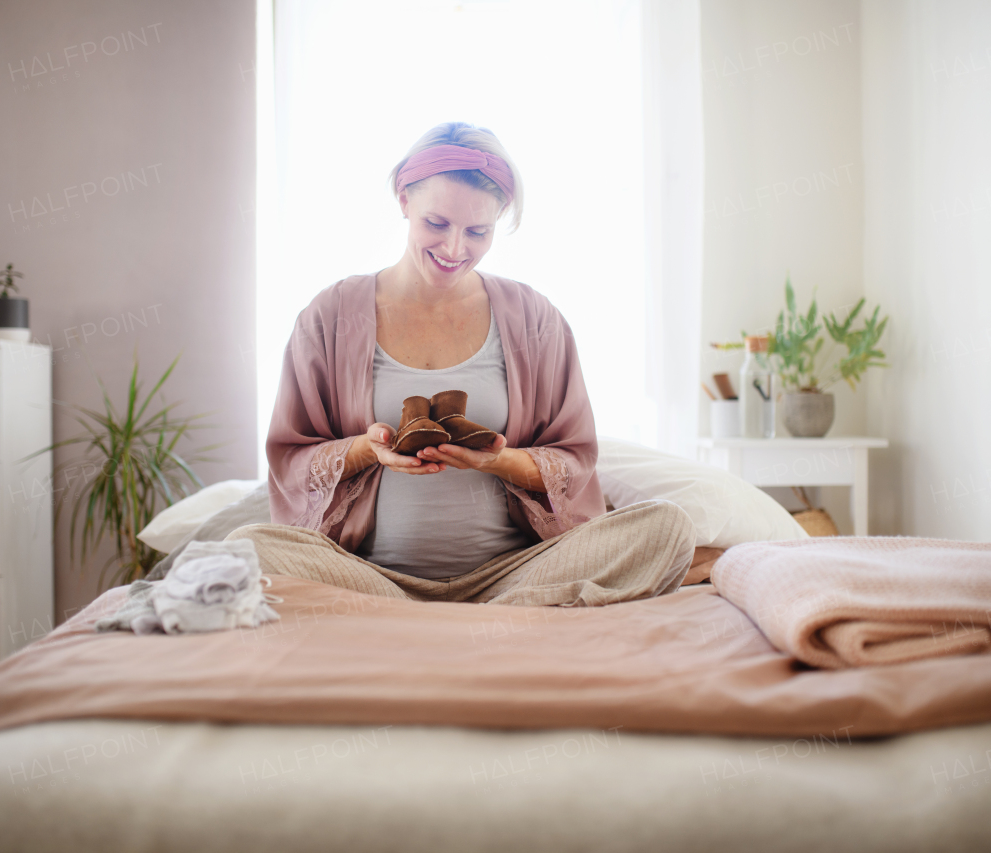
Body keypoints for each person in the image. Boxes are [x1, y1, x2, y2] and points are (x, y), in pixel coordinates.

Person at [237, 122, 693, 606]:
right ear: (404, 199)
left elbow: (575, 462)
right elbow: (291, 460)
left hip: (512, 578)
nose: (455, 249)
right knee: (245, 549)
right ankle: (469, 628)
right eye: (437, 224)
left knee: (667, 528)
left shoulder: (535, 320)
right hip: (372, 580)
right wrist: (369, 450)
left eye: (478, 231)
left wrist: (502, 460)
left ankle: (467, 620)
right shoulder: (331, 315)